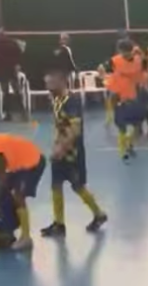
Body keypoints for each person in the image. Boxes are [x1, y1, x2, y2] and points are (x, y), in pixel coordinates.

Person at [40, 70, 108, 237]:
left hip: (73, 153)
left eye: (51, 83)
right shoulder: (56, 99)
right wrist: (56, 144)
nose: (48, 87)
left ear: (62, 81)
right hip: (60, 150)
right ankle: (59, 224)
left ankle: (99, 214)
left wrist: (62, 148)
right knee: (56, 185)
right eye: (46, 83)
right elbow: (60, 125)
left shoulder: (72, 101)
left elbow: (75, 130)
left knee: (77, 186)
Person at [100, 38, 148, 162]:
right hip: (119, 97)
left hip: (135, 97)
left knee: (136, 126)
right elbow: (101, 68)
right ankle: (123, 152)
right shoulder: (114, 61)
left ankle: (129, 144)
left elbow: (146, 66)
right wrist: (106, 80)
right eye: (121, 51)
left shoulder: (138, 60)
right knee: (122, 127)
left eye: (126, 51)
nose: (123, 53)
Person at [0, 28, 27, 121]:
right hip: (10, 70)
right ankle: (22, 114)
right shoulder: (12, 43)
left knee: (7, 93)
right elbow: (20, 53)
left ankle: (10, 115)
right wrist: (16, 64)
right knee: (16, 92)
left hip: (4, 71)